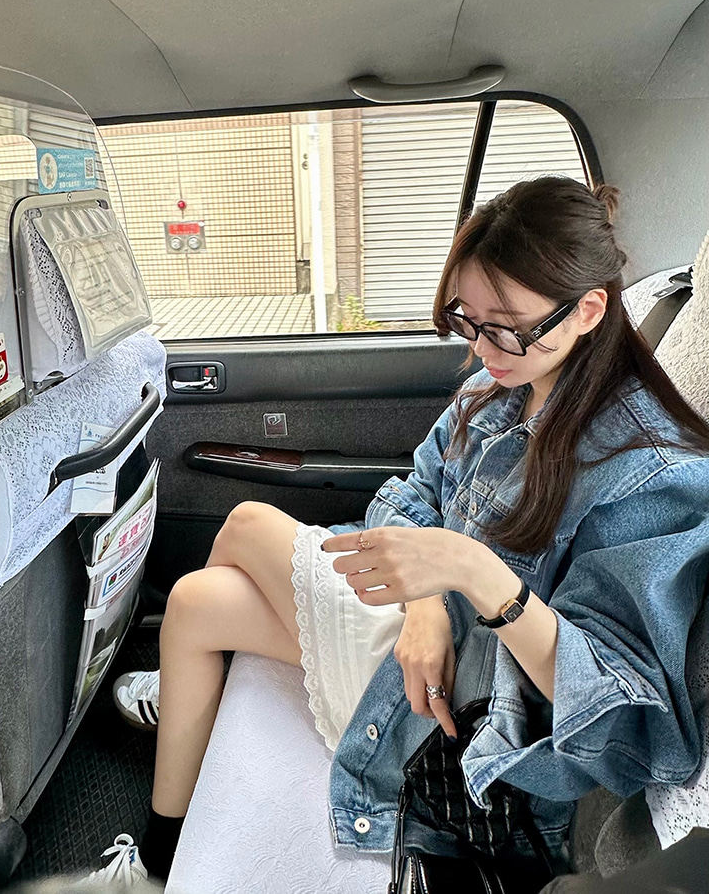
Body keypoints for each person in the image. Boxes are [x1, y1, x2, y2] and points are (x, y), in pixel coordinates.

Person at [87, 177, 709, 886]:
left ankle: (179, 705)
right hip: (429, 631)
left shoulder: (649, 473)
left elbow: (624, 725)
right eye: (468, 319)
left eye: (505, 325)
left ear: (588, 310)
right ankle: (155, 862)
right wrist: (425, 604)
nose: (482, 346)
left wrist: (477, 575)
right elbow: (409, 494)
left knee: (247, 523)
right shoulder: (496, 388)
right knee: (196, 602)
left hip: (470, 706)